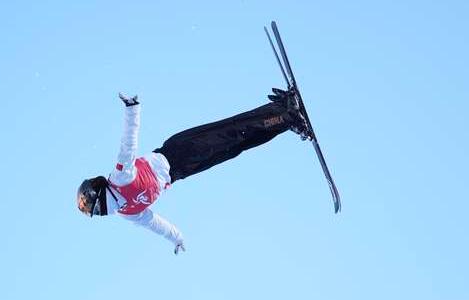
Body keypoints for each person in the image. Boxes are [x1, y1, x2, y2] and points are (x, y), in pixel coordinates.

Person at [76, 88, 310, 254]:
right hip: (179, 156)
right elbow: (128, 145)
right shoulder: (121, 185)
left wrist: (177, 238)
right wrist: (132, 109)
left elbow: (155, 224)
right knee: (233, 134)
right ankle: (286, 115)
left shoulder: (125, 207)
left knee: (235, 142)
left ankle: (283, 113)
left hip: (181, 166)